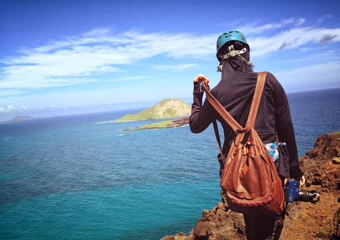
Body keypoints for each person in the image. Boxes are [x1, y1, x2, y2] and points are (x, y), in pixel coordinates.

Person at [189, 30, 305, 240]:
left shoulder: (216, 94)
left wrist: (198, 92)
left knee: (251, 221)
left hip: (237, 176)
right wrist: (294, 170)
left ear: (220, 61)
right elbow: (286, 127)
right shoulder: (267, 80)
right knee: (268, 229)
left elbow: (195, 126)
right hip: (271, 171)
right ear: (247, 55)